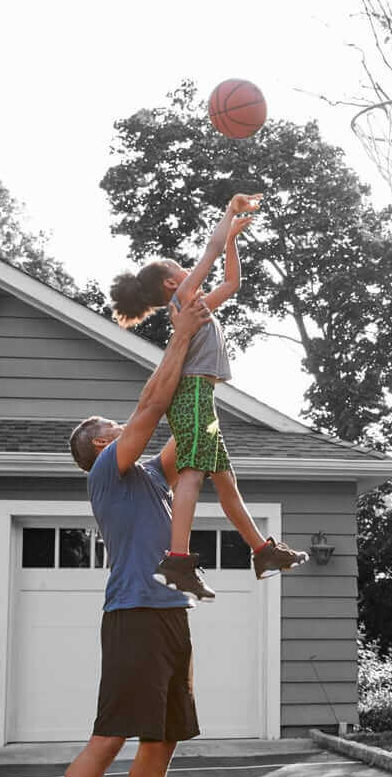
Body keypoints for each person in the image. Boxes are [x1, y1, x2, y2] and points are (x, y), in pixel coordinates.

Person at [26, 293, 211, 777]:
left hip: (171, 617)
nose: (123, 428)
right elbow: (152, 405)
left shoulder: (153, 475)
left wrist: (205, 357)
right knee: (109, 739)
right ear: (101, 447)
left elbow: (188, 423)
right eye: (114, 428)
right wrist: (178, 337)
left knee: (161, 744)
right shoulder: (108, 471)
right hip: (133, 614)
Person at [108, 191, 308, 601]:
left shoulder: (197, 307)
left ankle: (263, 552)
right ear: (172, 282)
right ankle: (178, 559)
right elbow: (211, 251)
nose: (190, 270)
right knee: (193, 474)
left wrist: (233, 238)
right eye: (183, 269)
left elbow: (232, 282)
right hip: (192, 393)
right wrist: (228, 215)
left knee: (226, 483)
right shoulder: (183, 300)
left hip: (203, 397)